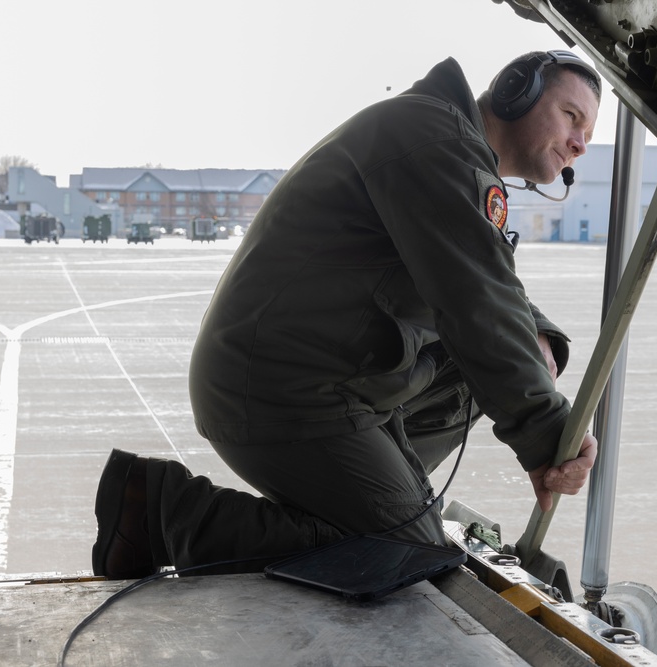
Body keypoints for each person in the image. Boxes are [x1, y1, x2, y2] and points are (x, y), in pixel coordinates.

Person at [92, 50, 602, 579]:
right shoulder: (432, 138)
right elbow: (475, 295)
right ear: (515, 89)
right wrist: (547, 437)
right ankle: (159, 510)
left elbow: (480, 274)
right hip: (282, 385)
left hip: (326, 374)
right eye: (572, 117)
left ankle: (376, 494)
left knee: (482, 378)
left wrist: (539, 337)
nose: (579, 144)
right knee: (408, 551)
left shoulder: (448, 147)